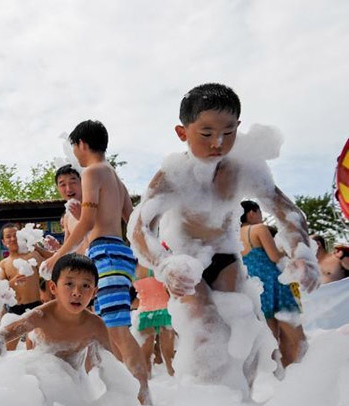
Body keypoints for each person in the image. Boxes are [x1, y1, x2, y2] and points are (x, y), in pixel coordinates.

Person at [128, 83, 319, 389]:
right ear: (182, 133)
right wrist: (163, 264)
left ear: (238, 129)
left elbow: (288, 212)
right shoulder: (172, 174)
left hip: (226, 256)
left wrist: (301, 252)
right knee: (206, 329)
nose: (218, 141)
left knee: (240, 341)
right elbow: (139, 228)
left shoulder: (245, 168)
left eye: (228, 132)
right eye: (206, 133)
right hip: (186, 260)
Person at [40, 120, 150, 404]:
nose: (74, 153)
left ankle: (143, 396)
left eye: (74, 147)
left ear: (82, 145)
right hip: (120, 252)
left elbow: (87, 221)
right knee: (104, 328)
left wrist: (58, 255)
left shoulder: (91, 173)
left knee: (116, 329)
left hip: (105, 253)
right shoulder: (116, 179)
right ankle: (123, 395)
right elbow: (132, 219)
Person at [0, 254, 143, 401]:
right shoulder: (41, 316)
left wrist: (123, 400)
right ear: (53, 288)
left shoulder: (95, 325)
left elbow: (112, 366)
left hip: (73, 390)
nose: (77, 293)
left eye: (86, 286)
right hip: (37, 388)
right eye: (69, 284)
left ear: (95, 292)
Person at [240, 201, 306, 366]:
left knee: (271, 340)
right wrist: (286, 250)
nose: (261, 217)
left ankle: (279, 379)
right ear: (251, 213)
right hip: (274, 282)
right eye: (259, 212)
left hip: (256, 287)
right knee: (295, 336)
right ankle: (302, 372)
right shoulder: (259, 228)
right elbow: (274, 257)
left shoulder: (234, 235)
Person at [0, 223, 52, 316]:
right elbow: (0, 289)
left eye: (15, 235)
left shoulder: (33, 255)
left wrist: (48, 294)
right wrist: (13, 282)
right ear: (3, 242)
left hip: (35, 305)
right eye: (8, 237)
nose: (13, 239)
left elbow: (48, 270)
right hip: (14, 308)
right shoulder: (4, 263)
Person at [133, 264, 175, 376]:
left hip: (144, 314)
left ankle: (147, 388)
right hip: (164, 311)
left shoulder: (131, 267)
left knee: (145, 358)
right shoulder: (153, 262)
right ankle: (177, 386)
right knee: (169, 356)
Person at [55, 164, 89, 255]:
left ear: (82, 182)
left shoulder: (95, 205)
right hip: (80, 267)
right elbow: (67, 252)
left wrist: (81, 218)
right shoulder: (67, 216)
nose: (68, 189)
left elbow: (103, 238)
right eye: (62, 184)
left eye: (73, 182)